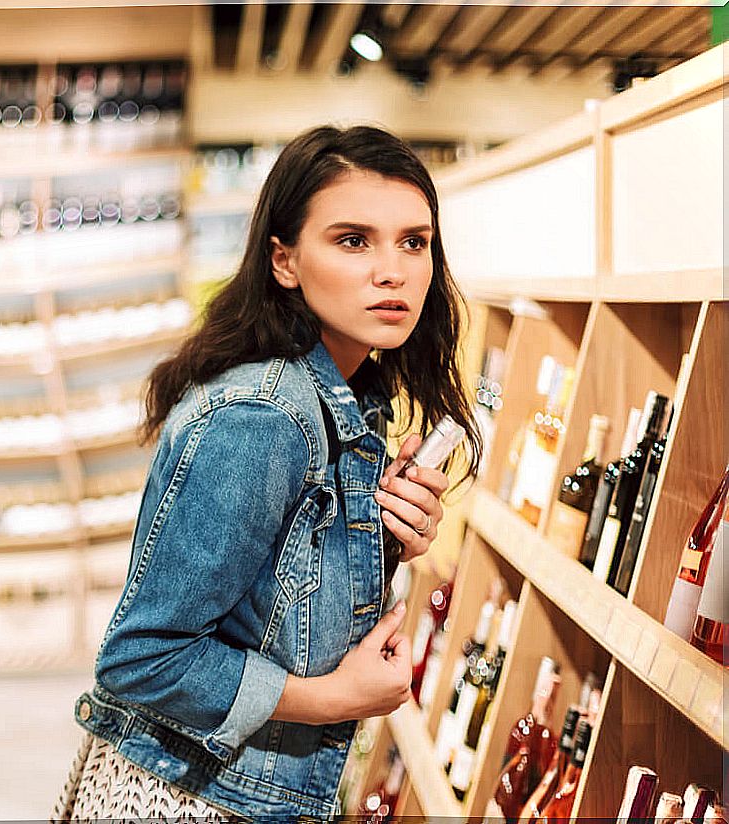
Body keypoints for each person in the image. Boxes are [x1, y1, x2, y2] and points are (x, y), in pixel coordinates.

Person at [53, 125, 482, 820]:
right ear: (284, 261)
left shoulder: (343, 401)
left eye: (413, 241)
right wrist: (334, 700)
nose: (393, 270)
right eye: (352, 240)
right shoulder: (266, 414)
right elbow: (141, 658)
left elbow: (282, 609)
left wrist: (381, 535)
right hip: (182, 799)